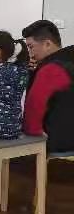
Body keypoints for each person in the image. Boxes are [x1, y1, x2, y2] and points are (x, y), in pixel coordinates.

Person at [22, 20, 74, 152]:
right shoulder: (68, 62)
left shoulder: (50, 70)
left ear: (47, 44)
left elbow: (33, 111)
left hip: (59, 146)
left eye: (31, 47)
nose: (30, 53)